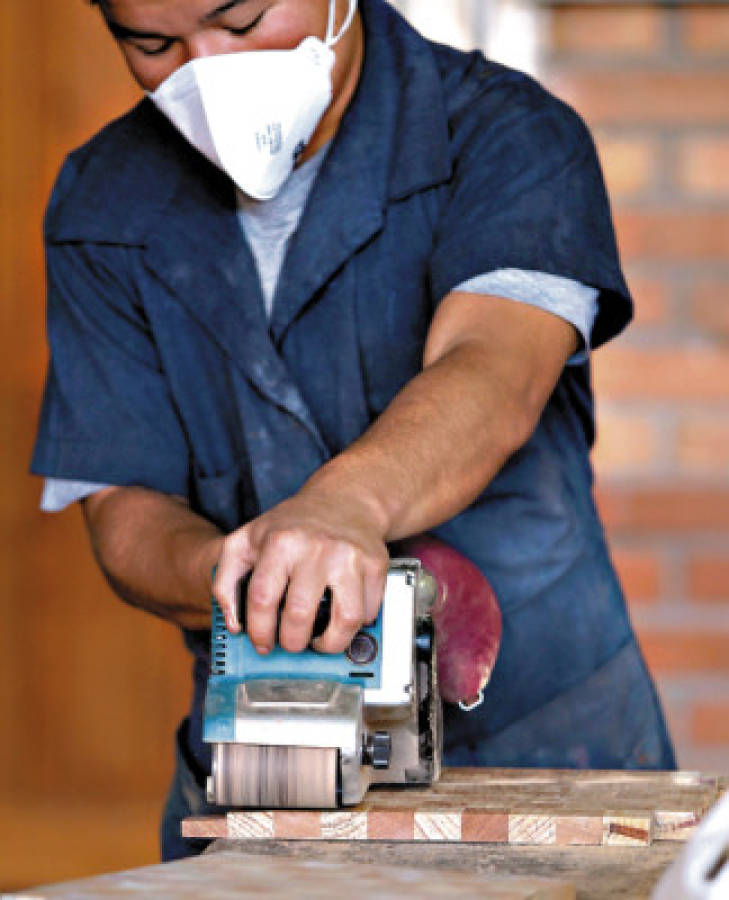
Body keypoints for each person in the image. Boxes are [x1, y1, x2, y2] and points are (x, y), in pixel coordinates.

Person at [31, 0, 676, 861]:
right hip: (261, 772)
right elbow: (124, 506)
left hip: (548, 753)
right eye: (152, 44)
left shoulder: (504, 135)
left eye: (244, 17)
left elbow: (493, 368)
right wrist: (243, 579)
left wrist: (341, 509)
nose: (208, 66)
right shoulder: (103, 200)